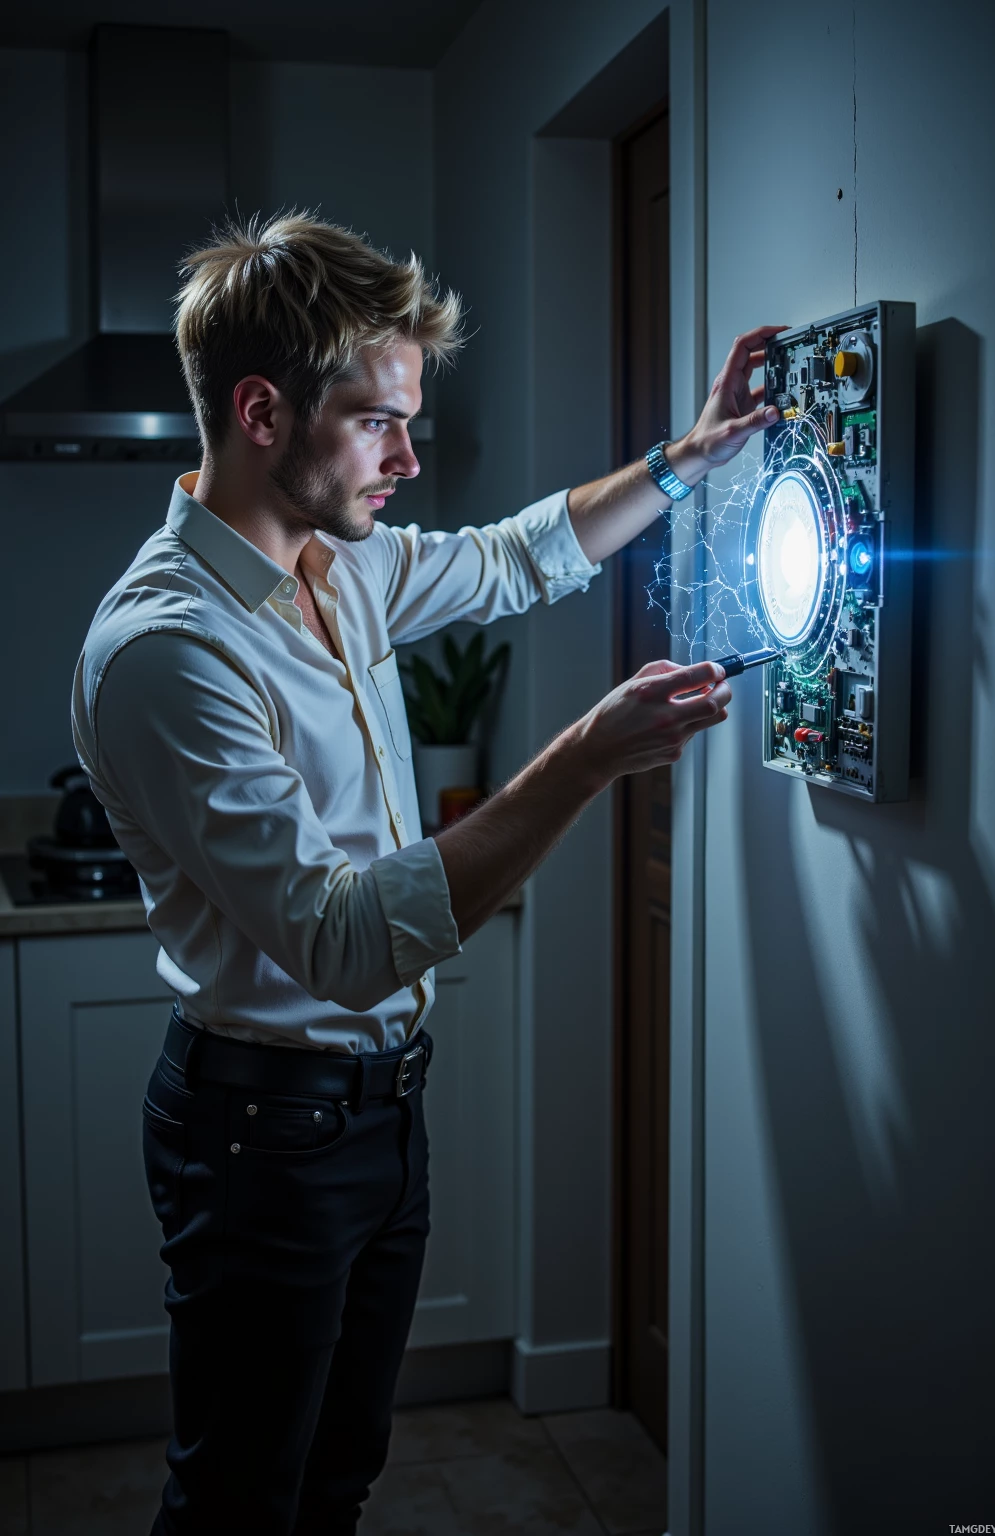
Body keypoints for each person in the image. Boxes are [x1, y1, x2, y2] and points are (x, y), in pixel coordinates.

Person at [71, 212, 781, 1535]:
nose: (408, 456)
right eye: (377, 420)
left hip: (382, 1111)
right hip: (265, 1136)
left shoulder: (339, 568)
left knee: (336, 1483)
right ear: (262, 411)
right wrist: (583, 759)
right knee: (239, 1503)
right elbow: (343, 943)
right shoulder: (170, 649)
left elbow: (516, 556)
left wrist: (690, 459)